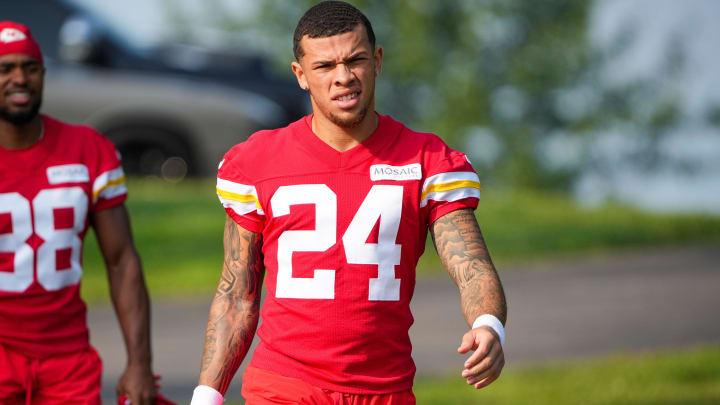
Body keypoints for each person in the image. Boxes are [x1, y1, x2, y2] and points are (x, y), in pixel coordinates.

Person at [192, 2, 507, 404]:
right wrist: (207, 394)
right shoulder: (256, 162)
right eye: (325, 67)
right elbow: (238, 293)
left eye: (355, 60)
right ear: (300, 75)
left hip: (385, 389)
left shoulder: (425, 161)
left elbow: (472, 265)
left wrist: (488, 324)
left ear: (377, 61)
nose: (343, 77)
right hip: (284, 388)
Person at [0, 21, 158, 404]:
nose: (20, 78)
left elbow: (121, 260)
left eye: (30, 67)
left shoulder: (87, 148)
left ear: (43, 75)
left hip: (67, 358)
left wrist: (140, 363)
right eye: (6, 68)